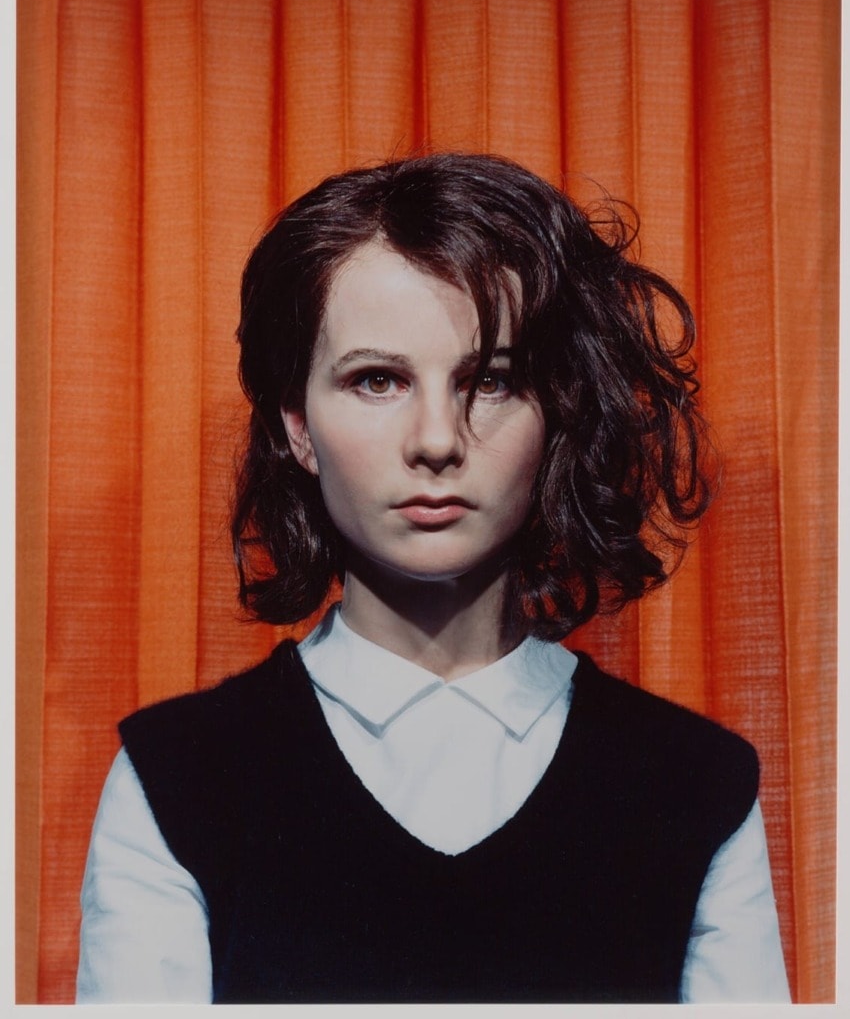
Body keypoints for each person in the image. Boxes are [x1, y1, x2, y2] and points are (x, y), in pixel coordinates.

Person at [76, 152, 790, 1004]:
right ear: (298, 427)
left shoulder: (697, 786)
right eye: (377, 380)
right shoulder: (178, 780)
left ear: (556, 413)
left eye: (491, 380)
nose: (437, 440)